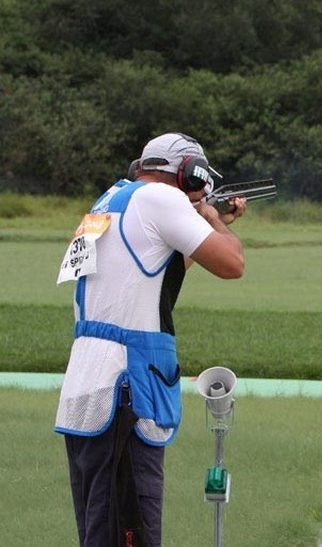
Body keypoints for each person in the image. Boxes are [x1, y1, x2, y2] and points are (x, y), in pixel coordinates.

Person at [54, 133, 247, 546]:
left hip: (87, 389)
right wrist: (211, 221)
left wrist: (206, 225)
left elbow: (149, 272)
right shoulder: (164, 200)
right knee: (132, 532)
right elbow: (233, 263)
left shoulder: (110, 201)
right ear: (190, 171)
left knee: (99, 532)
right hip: (127, 390)